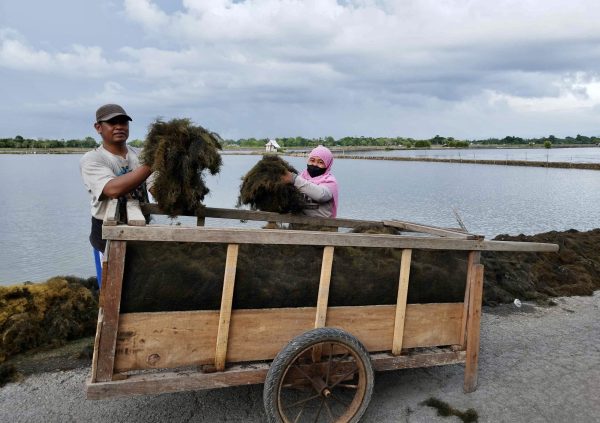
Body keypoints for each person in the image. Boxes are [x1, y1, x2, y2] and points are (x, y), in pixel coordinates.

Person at [80, 104, 153, 275]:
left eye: (124, 123)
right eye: (112, 123)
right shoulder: (93, 159)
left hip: (141, 232)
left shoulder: (141, 156)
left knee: (139, 286)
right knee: (109, 292)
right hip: (107, 235)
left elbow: (155, 187)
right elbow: (112, 189)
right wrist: (153, 163)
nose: (119, 127)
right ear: (98, 127)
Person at [282, 145, 339, 218]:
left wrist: (294, 179)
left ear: (327, 165)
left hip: (322, 226)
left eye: (320, 162)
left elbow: (321, 195)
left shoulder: (330, 181)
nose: (315, 164)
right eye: (312, 160)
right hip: (297, 226)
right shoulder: (301, 177)